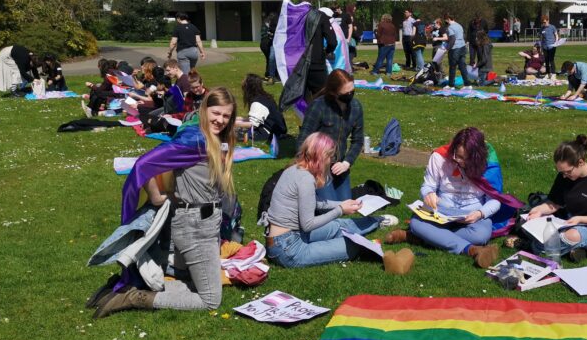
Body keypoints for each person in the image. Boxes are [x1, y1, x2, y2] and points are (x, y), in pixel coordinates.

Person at [92, 87, 239, 317]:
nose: (220, 120)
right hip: (195, 227)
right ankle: (135, 297)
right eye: (216, 113)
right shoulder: (195, 140)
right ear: (204, 110)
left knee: (187, 279)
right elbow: (144, 165)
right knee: (211, 300)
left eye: (226, 116)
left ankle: (136, 283)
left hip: (198, 224)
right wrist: (155, 196)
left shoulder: (204, 135)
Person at [263, 132, 390, 268]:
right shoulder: (306, 179)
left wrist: (341, 204)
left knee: (338, 225)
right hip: (288, 249)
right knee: (353, 245)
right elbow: (308, 224)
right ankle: (368, 241)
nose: (331, 160)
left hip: (286, 238)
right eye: (330, 156)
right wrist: (340, 210)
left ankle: (378, 221)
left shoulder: (294, 169)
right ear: (321, 156)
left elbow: (312, 202)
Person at [384, 127, 503, 268]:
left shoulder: (489, 165)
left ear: (476, 157)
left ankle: (419, 237)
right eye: (456, 155)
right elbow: (428, 185)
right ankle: (471, 250)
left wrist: (480, 214)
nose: (458, 161)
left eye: (465, 159)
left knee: (481, 235)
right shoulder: (439, 157)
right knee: (417, 224)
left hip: (472, 214)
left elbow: (495, 199)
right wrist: (428, 194)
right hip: (440, 211)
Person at [519, 135, 587, 261]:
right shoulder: (564, 176)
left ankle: (536, 247)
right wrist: (539, 210)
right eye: (561, 172)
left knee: (571, 236)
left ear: (581, 162)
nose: (564, 176)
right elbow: (554, 204)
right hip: (567, 222)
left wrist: (581, 219)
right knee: (526, 221)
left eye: (568, 172)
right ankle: (574, 250)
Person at [294, 70, 363, 201]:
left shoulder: (356, 107)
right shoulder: (318, 106)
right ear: (334, 92)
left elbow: (358, 140)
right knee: (329, 207)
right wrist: (308, 167)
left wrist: (346, 163)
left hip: (340, 167)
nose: (350, 95)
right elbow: (302, 140)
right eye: (346, 93)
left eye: (352, 91)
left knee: (344, 203)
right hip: (318, 166)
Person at [236, 73, 287, 142]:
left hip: (270, 133)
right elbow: (255, 119)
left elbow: (253, 124)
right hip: (275, 130)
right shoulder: (263, 97)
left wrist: (234, 124)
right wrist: (235, 119)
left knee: (234, 133)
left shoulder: (258, 103)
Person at [444, 12, 472, 87]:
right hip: (462, 47)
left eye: (446, 20)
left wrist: (447, 48)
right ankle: (467, 84)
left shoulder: (450, 27)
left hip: (455, 49)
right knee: (462, 67)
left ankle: (451, 85)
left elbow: (452, 39)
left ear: (448, 19)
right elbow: (463, 36)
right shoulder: (459, 25)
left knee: (452, 67)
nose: (445, 22)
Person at [261, 11, 279, 82]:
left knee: (271, 59)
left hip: (272, 43)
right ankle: (271, 75)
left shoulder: (268, 22)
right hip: (271, 43)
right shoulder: (270, 23)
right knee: (271, 59)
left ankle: (271, 75)